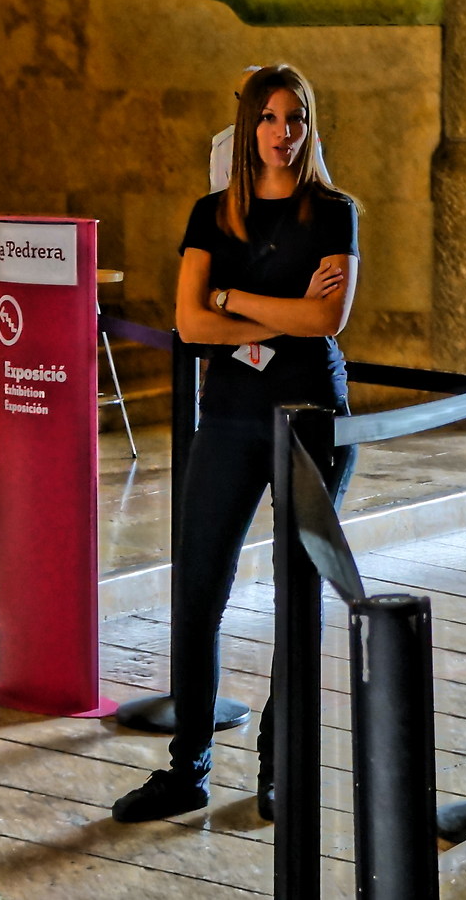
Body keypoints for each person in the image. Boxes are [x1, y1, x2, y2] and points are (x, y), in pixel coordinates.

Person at [113, 64, 358, 824]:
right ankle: (187, 767)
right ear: (248, 126)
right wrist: (275, 310)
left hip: (310, 417)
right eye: (270, 118)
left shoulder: (335, 211)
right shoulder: (212, 214)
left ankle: (281, 770)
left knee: (296, 599)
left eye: (296, 118)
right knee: (197, 593)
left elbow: (326, 321)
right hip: (228, 415)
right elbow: (191, 323)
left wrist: (231, 299)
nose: (283, 133)